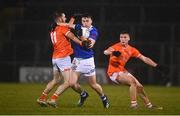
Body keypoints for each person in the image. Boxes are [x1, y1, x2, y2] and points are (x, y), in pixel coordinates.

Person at [37, 11, 90, 108]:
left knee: (55, 80)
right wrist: (82, 43)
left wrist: (73, 18)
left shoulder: (53, 29)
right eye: (64, 17)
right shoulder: (62, 28)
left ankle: (41, 98)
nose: (65, 19)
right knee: (69, 82)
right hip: (63, 58)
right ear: (60, 18)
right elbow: (73, 37)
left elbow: (68, 25)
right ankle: (53, 99)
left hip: (55, 58)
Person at [104, 31, 163, 109]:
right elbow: (106, 52)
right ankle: (133, 105)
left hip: (122, 70)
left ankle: (149, 106)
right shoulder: (115, 46)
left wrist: (156, 65)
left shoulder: (132, 49)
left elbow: (144, 58)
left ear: (129, 38)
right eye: (121, 37)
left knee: (140, 87)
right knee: (132, 82)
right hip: (113, 72)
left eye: (125, 37)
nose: (123, 39)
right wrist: (113, 52)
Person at [67, 13, 110, 108]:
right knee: (71, 83)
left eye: (87, 21)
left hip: (88, 61)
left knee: (93, 85)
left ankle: (103, 97)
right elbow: (69, 25)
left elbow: (90, 45)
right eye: (83, 21)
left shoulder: (93, 31)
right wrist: (73, 17)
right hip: (77, 60)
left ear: (91, 21)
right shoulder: (79, 26)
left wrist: (81, 36)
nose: (85, 23)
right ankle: (83, 94)